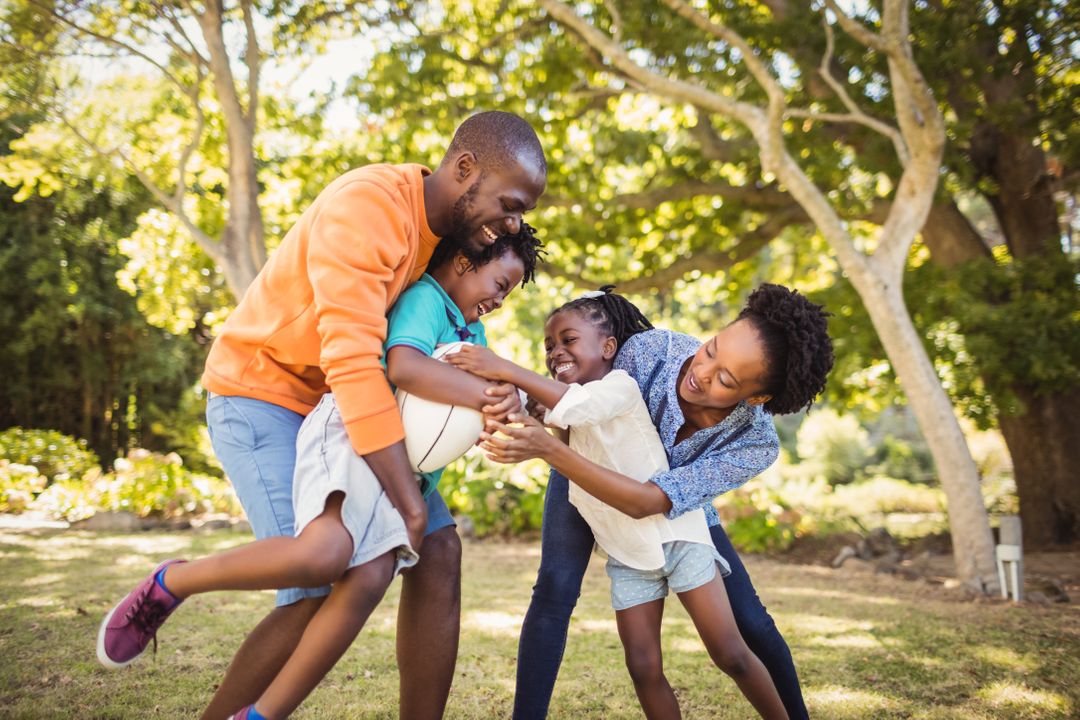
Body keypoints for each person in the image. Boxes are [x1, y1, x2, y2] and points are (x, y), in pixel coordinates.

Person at [108, 111, 543, 720]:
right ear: (465, 169)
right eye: (511, 204)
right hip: (262, 394)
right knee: (318, 576)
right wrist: (408, 499)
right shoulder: (368, 209)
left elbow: (436, 362)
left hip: (343, 415)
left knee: (439, 550)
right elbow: (360, 363)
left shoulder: (456, 243)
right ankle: (173, 590)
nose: (514, 224)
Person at [480, 284, 834, 720]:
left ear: (756, 397)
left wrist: (548, 448)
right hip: (582, 468)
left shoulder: (754, 443)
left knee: (750, 623)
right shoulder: (651, 352)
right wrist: (538, 423)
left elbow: (653, 499)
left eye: (726, 379)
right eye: (711, 350)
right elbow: (584, 420)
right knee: (554, 591)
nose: (702, 373)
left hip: (674, 513)